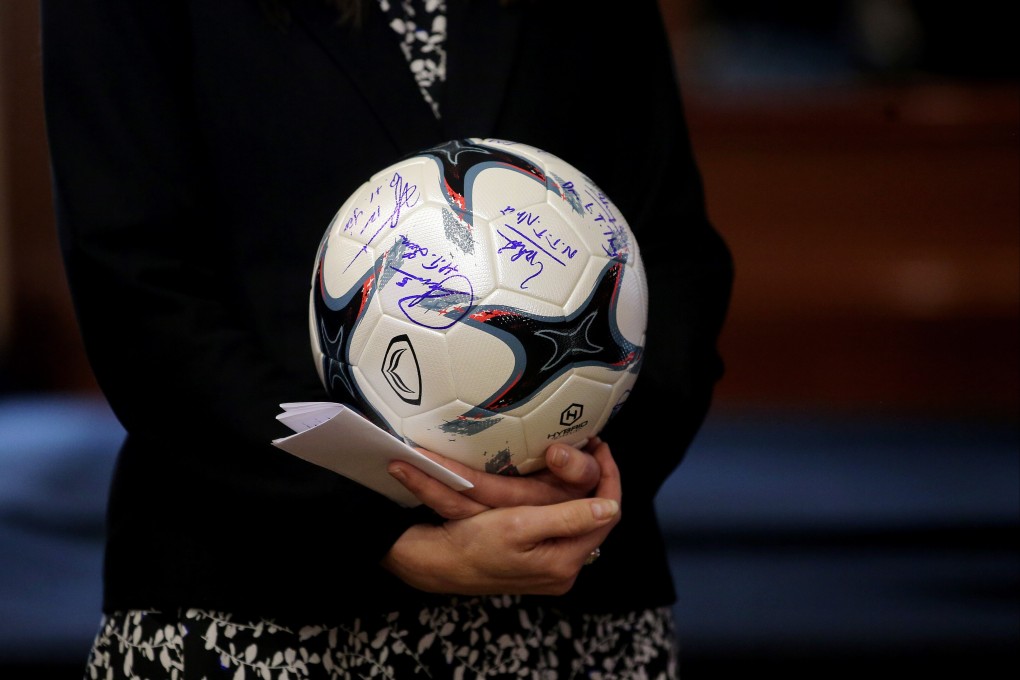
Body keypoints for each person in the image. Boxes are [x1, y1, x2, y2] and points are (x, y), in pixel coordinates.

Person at [40, 0, 733, 678]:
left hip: (570, 598)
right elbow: (136, 288)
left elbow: (671, 257)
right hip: (258, 601)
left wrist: (590, 491)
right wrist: (377, 531)